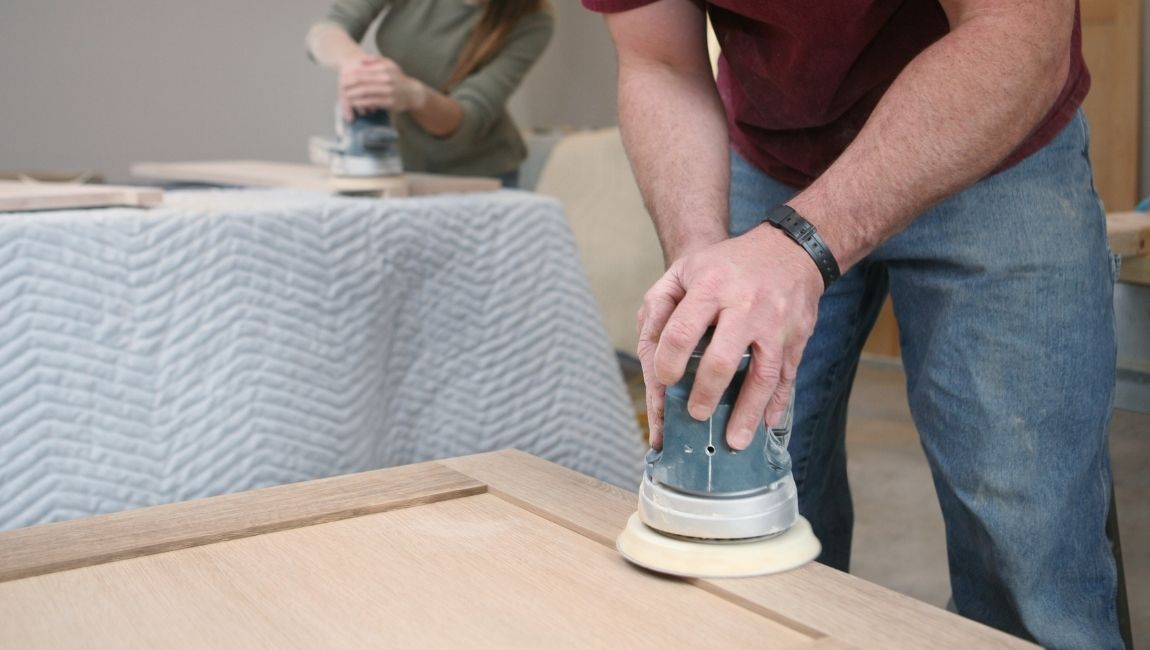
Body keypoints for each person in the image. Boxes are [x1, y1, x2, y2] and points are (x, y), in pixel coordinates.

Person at [584, 1, 1121, 648]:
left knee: (1027, 540)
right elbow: (660, 61)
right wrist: (702, 258)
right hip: (773, 147)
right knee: (733, 528)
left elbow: (1015, 32)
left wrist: (801, 246)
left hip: (992, 138)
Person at [307, 0, 553, 187]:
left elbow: (470, 118)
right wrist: (358, 66)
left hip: (481, 173)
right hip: (404, 165)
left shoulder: (533, 18)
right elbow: (330, 28)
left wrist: (414, 95)